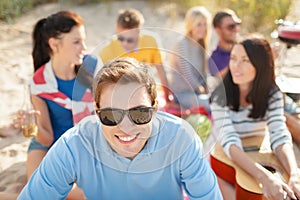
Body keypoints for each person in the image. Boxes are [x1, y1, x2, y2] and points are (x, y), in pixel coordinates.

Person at [18, 57, 222, 199]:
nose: (126, 127)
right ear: (96, 111)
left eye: (139, 113)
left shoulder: (181, 139)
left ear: (155, 108)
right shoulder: (74, 145)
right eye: (111, 115)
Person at [15, 10, 97, 200]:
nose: (83, 48)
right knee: (40, 192)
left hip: (84, 145)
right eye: (76, 42)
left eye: (83, 41)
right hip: (49, 146)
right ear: (54, 44)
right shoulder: (39, 82)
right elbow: (45, 138)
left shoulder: (91, 68)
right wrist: (33, 125)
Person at [210, 36, 300, 200]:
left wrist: (294, 174)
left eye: (245, 60)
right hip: (224, 154)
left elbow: (279, 134)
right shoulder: (219, 96)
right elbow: (229, 141)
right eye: (233, 58)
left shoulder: (273, 94)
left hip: (258, 148)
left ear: (261, 65)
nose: (235, 66)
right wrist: (265, 177)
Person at [99, 8, 171, 105]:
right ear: (116, 28)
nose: (124, 43)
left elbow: (161, 71)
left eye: (130, 40)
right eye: (121, 38)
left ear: (138, 31)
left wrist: (168, 99)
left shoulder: (150, 41)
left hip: (145, 91)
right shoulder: (107, 50)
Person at [168, 6, 212, 111]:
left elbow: (204, 73)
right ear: (191, 25)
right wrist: (200, 89)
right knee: (212, 106)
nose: (203, 28)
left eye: (205, 24)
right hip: (182, 93)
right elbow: (186, 73)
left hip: (196, 93)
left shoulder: (201, 45)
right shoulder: (182, 44)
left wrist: (207, 86)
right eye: (198, 24)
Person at [208, 9, 241, 78]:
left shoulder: (247, 48)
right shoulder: (213, 60)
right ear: (218, 30)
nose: (236, 29)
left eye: (237, 24)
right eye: (231, 27)